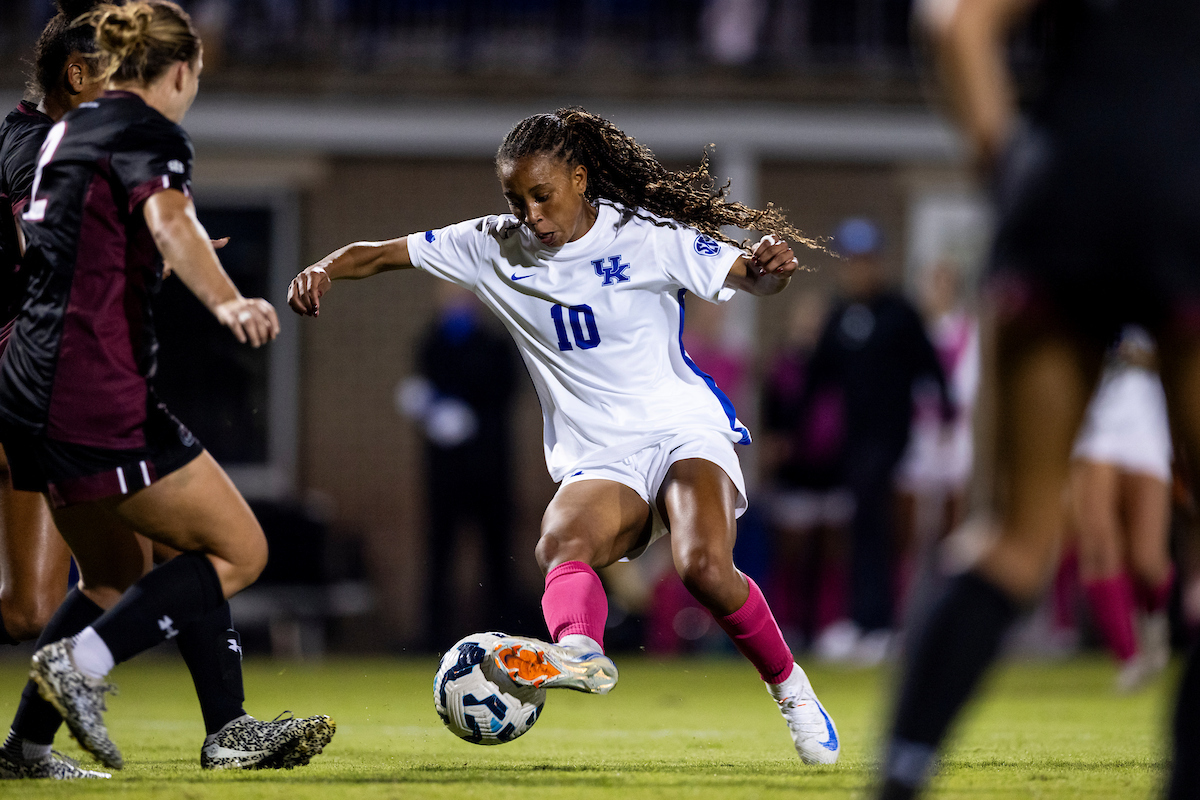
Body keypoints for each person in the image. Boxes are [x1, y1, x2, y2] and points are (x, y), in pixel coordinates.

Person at [289, 106, 841, 765]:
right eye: (517, 200)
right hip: (601, 454)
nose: (531, 215)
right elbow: (378, 254)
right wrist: (322, 268)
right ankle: (578, 650)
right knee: (560, 542)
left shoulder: (646, 236)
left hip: (681, 427)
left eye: (542, 195)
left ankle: (793, 691)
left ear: (580, 179)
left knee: (702, 568)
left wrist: (770, 267)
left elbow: (754, 278)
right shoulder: (493, 244)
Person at [0, 1, 334, 775]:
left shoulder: (63, 137)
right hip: (86, 382)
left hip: (33, 382)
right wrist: (227, 298)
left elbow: (94, 237)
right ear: (177, 71)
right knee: (237, 548)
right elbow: (172, 225)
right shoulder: (144, 129)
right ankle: (86, 666)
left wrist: (152, 242)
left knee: (119, 574)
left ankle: (28, 745)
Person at [880, 1, 1200, 797]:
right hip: (1188, 199)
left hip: (1064, 195)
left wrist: (1005, 163)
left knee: (1014, 537)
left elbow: (955, 25)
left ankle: (900, 774)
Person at [799, 218, 952, 665]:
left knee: (874, 522)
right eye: (852, 262)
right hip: (853, 438)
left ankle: (876, 622)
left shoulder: (898, 312)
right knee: (863, 525)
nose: (858, 271)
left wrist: (944, 409)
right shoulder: (840, 314)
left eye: (866, 262)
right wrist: (795, 429)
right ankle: (866, 620)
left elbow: (929, 365)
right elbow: (817, 375)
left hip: (890, 437)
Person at [399, 282, 519, 648]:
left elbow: (508, 393)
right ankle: (434, 639)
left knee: (498, 558)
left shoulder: (496, 346)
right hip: (445, 475)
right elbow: (423, 390)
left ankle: (502, 638)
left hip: (490, 471)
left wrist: (474, 418)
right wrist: (426, 407)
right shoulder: (431, 343)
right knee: (439, 556)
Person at [1069, 326, 1174, 692]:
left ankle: (1155, 622)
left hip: (1147, 416)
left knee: (1147, 559)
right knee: (1097, 541)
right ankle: (1129, 657)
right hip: (1093, 414)